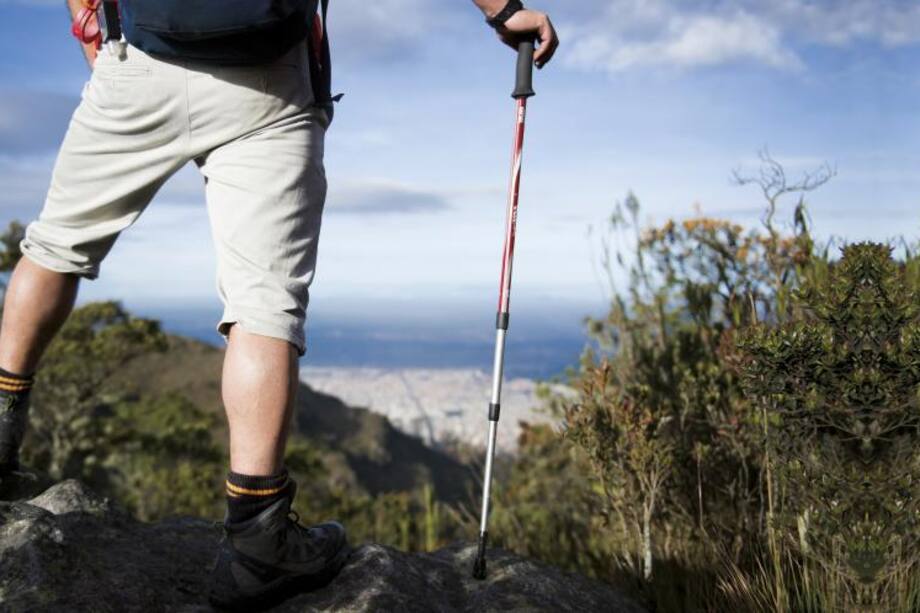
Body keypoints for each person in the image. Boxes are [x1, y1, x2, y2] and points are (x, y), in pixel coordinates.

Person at [0, 0, 558, 608]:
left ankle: (1, 433)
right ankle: (257, 540)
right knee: (265, 302)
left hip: (138, 61)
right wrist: (503, 11)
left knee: (55, 245)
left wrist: (92, 31)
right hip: (266, 81)